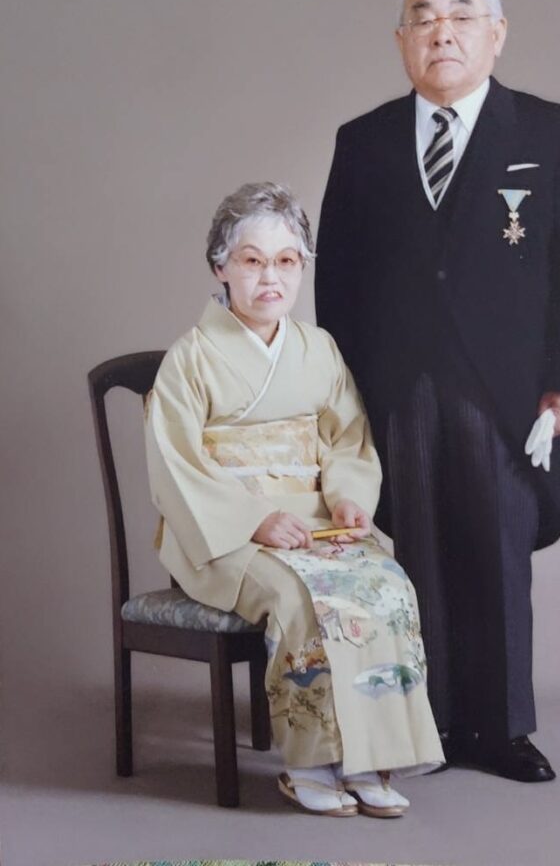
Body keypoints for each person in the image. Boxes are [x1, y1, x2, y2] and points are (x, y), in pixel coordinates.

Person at [315, 0, 560, 783]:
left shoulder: (549, 131)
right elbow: (339, 275)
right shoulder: (363, 140)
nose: (441, 30)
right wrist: (344, 390)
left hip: (506, 383)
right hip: (397, 379)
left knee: (497, 548)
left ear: (496, 32)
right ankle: (431, 720)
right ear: (401, 39)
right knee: (418, 552)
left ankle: (502, 729)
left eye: (461, 14)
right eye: (423, 16)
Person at [145, 182, 443, 818]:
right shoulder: (189, 359)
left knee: (386, 585)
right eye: (252, 260)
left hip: (314, 522)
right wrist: (255, 520)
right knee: (299, 598)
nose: (270, 278)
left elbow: (347, 438)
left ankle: (369, 760)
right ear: (220, 267)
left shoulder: (318, 349)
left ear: (303, 267)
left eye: (286, 261)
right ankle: (309, 763)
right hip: (224, 534)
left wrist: (349, 499)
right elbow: (177, 467)